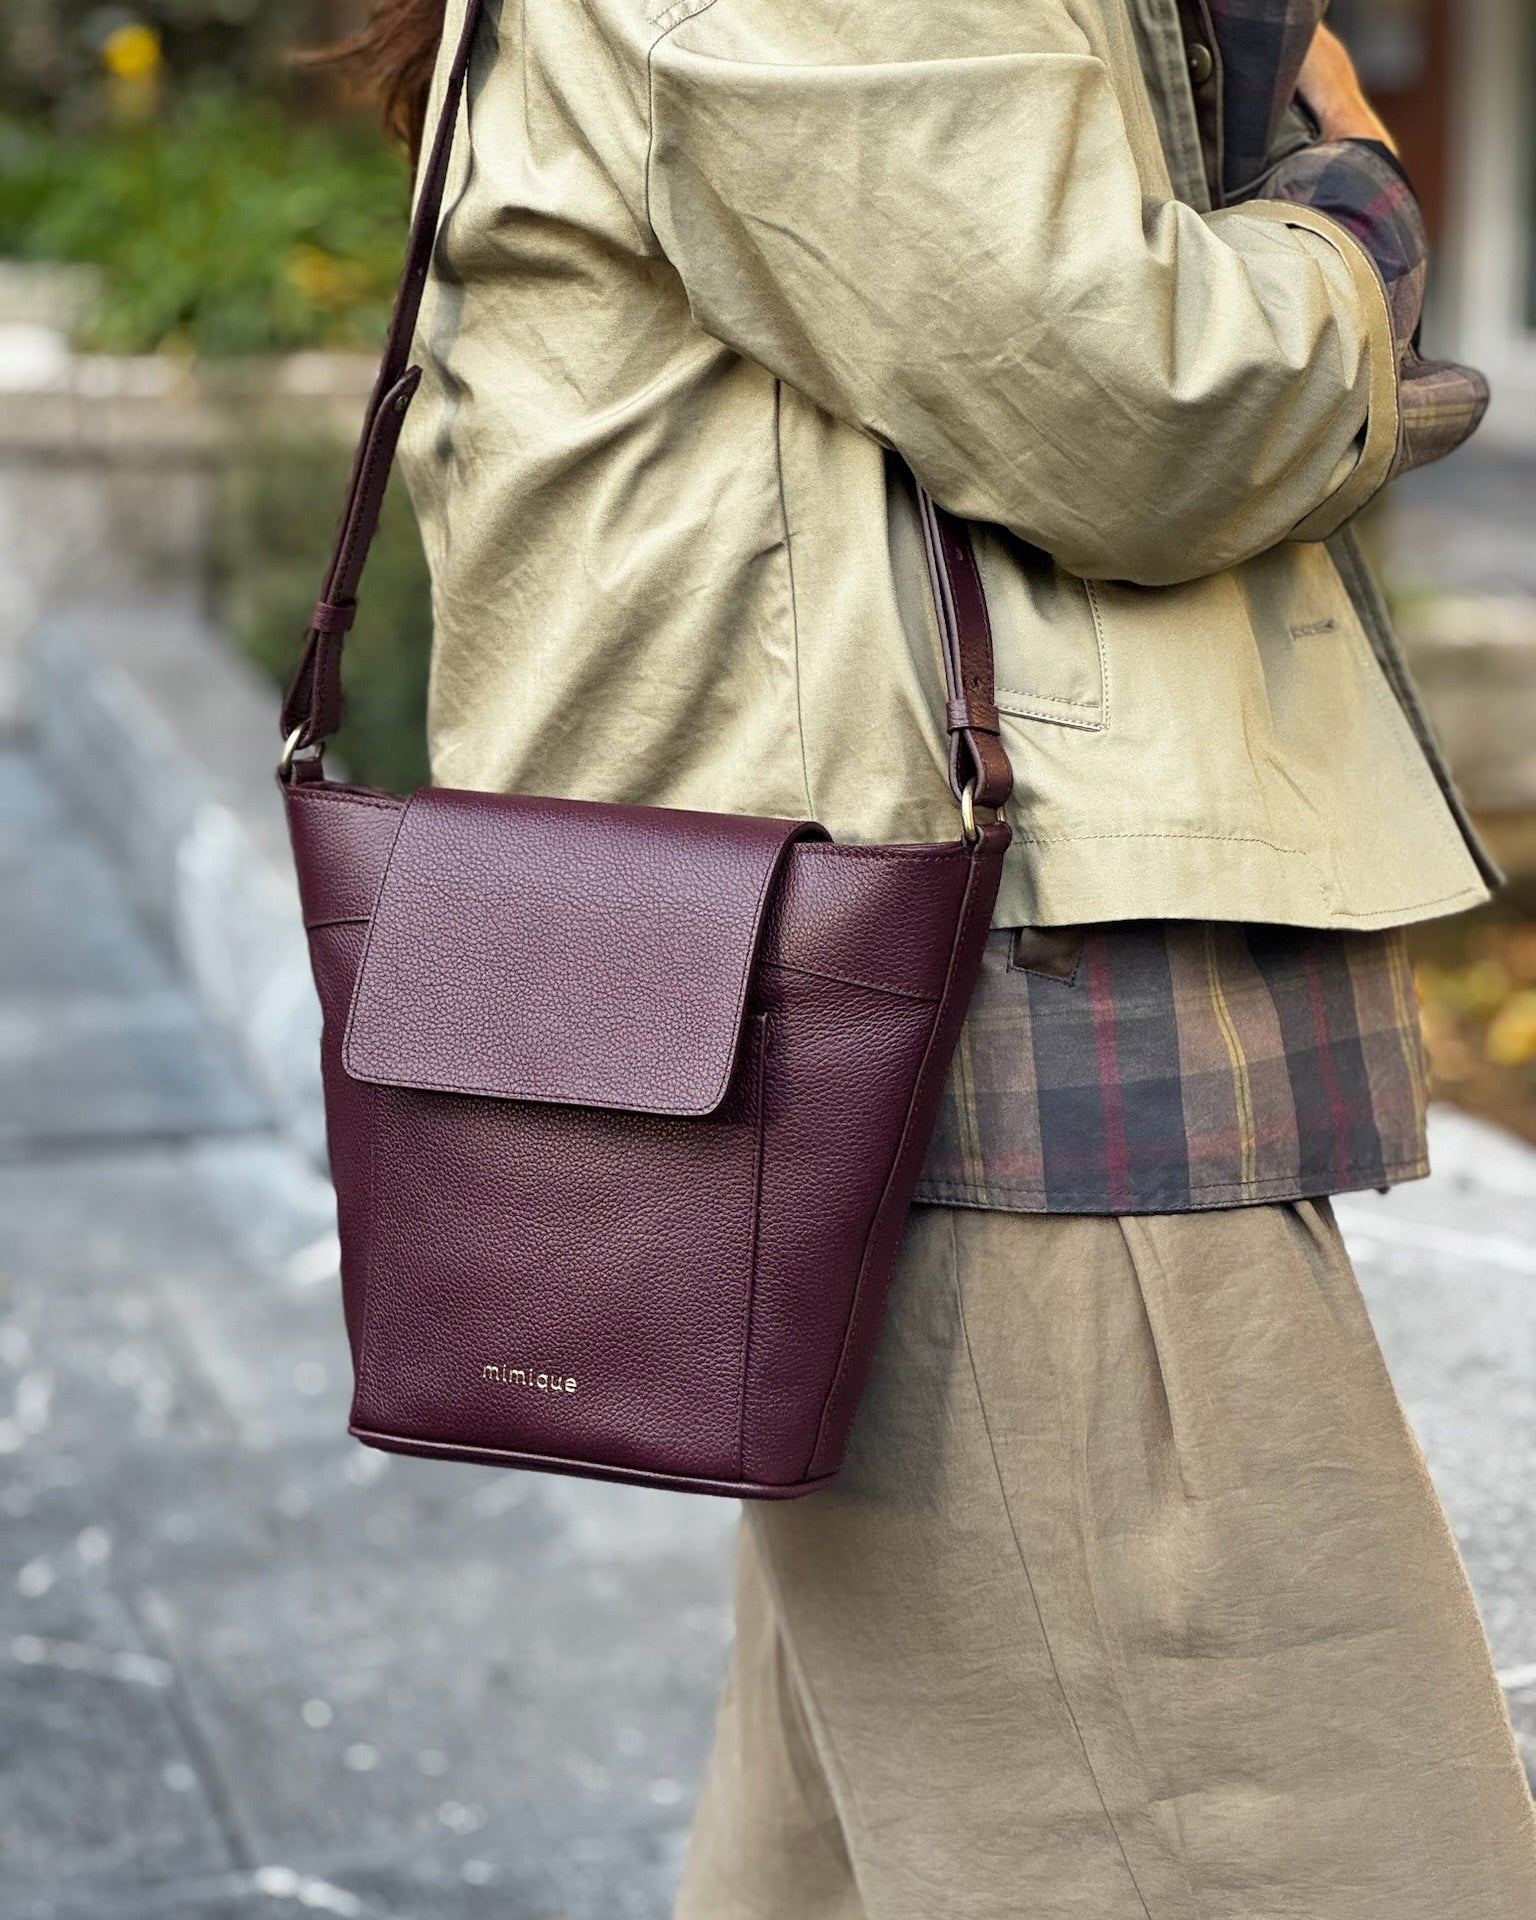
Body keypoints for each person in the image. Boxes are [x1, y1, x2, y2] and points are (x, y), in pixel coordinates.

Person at [319, 1, 1536, 1912]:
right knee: (1303, 1852)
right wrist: (1348, 206)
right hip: (989, 1037)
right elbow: (1150, 408)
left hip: (894, 1005)